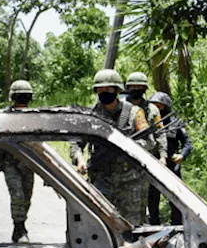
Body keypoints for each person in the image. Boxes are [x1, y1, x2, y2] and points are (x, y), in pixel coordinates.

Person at [70, 69, 162, 224]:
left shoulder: (134, 113)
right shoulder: (90, 116)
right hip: (101, 178)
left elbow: (150, 141)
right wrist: (79, 160)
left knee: (132, 225)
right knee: (101, 224)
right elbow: (76, 143)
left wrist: (128, 147)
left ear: (118, 90)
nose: (104, 92)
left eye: (108, 89)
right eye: (100, 90)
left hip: (130, 179)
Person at [0, 80, 36, 242]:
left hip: (29, 163)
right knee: (17, 196)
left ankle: (20, 225)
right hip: (11, 163)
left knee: (27, 198)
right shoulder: (5, 117)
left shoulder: (35, 117)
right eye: (20, 96)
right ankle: (19, 228)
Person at [146, 92, 192, 226]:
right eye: (155, 106)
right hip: (153, 164)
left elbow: (187, 143)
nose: (158, 109)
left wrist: (182, 155)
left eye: (161, 106)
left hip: (172, 165)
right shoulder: (146, 122)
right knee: (152, 196)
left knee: (176, 195)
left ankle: (176, 223)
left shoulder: (175, 123)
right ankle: (154, 223)